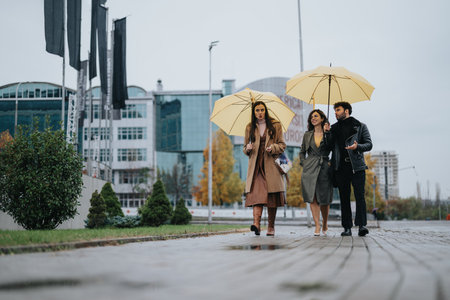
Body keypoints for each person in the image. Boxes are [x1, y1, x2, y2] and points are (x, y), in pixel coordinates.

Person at [328, 101, 373, 236]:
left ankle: (361, 226)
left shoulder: (360, 126)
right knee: (344, 198)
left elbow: (369, 144)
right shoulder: (333, 128)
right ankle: (347, 227)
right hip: (340, 167)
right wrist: (327, 133)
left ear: (346, 111)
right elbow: (328, 147)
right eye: (335, 110)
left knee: (360, 196)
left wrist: (357, 146)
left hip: (357, 166)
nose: (335, 112)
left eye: (338, 110)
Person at [244, 101, 286, 236]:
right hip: (256, 167)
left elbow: (282, 145)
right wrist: (248, 148)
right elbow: (245, 148)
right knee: (256, 195)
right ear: (253, 112)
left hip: (271, 165)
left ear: (266, 111)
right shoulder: (249, 127)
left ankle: (271, 227)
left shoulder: (275, 125)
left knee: (271, 196)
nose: (260, 113)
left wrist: (272, 147)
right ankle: (256, 224)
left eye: (262, 110)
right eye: (257, 110)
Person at [299, 110, 333, 236]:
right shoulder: (307, 135)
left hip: (324, 166)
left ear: (322, 118)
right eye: (311, 117)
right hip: (310, 168)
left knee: (324, 198)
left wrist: (328, 133)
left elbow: (332, 148)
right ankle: (317, 225)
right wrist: (304, 162)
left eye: (316, 116)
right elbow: (302, 151)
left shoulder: (328, 132)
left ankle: (324, 222)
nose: (313, 118)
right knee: (312, 197)